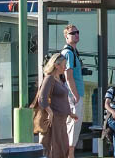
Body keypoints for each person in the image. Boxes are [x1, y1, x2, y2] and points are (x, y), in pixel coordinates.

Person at [33, 53, 77, 158]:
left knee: (63, 148)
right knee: (54, 149)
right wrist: (50, 112)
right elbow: (42, 98)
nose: (65, 67)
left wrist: (70, 113)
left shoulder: (59, 80)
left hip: (62, 120)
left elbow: (61, 100)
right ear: (56, 65)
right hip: (54, 120)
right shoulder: (49, 78)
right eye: (63, 65)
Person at [61, 24, 84, 158]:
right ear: (66, 36)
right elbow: (68, 76)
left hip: (76, 93)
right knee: (73, 126)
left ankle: (70, 154)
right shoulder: (68, 53)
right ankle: (70, 155)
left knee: (74, 126)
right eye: (72, 33)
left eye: (77, 32)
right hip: (73, 95)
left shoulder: (74, 52)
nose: (76, 34)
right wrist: (76, 96)